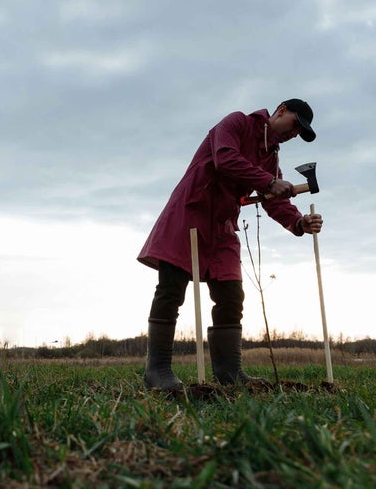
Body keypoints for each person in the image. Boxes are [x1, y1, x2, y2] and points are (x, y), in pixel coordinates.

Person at [137, 98, 324, 390]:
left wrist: (299, 223)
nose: (294, 133)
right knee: (171, 290)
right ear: (281, 111)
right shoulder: (237, 123)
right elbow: (225, 159)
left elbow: (275, 202)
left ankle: (229, 373)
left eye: (300, 133)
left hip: (223, 227)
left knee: (231, 296)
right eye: (295, 125)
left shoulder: (271, 157)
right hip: (190, 214)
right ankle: (157, 371)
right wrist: (267, 181)